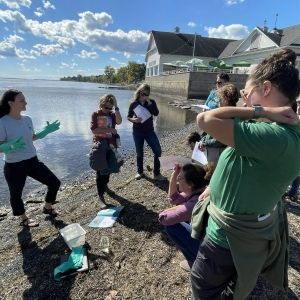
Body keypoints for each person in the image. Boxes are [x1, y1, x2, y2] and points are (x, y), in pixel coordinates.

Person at [191, 48, 300, 299]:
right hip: (242, 233)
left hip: (226, 239)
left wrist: (260, 111)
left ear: (267, 88)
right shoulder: (280, 128)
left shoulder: (274, 135)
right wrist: (213, 186)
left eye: (246, 93)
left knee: (203, 289)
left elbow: (205, 119)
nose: (244, 100)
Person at [0, 89, 61, 227]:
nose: (25, 102)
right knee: (16, 195)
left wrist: (45, 131)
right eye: (21, 100)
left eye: (24, 99)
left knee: (54, 183)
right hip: (14, 165)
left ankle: (47, 206)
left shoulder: (27, 119)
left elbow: (32, 137)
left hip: (32, 161)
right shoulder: (2, 122)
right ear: (11, 103)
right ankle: (23, 218)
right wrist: (8, 147)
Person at [158, 163, 213, 272]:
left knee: (171, 227)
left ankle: (197, 262)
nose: (178, 179)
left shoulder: (194, 203)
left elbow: (163, 218)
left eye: (180, 178)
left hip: (211, 249)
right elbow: (174, 199)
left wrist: (169, 210)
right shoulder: (201, 189)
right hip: (214, 242)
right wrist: (174, 175)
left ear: (190, 184)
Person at [127, 83, 165, 181]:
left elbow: (156, 113)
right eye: (143, 93)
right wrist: (134, 120)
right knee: (139, 152)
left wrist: (150, 103)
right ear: (139, 92)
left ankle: (156, 173)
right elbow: (128, 117)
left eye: (147, 94)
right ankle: (140, 172)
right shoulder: (134, 104)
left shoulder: (151, 102)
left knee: (158, 151)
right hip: (137, 132)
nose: (145, 96)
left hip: (149, 131)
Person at [90, 94, 122, 206]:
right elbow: (94, 131)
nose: (108, 110)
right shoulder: (96, 114)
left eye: (110, 108)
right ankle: (100, 196)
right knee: (100, 170)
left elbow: (119, 121)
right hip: (99, 145)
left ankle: (106, 186)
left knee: (108, 169)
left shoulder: (113, 115)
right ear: (101, 105)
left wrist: (116, 107)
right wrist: (109, 129)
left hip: (111, 145)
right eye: (106, 108)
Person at [199, 83, 239, 164]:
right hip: (212, 151)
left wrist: (204, 143)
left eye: (219, 99)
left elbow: (220, 140)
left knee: (210, 172)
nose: (218, 102)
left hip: (217, 153)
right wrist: (202, 140)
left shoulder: (228, 117)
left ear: (224, 100)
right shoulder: (229, 114)